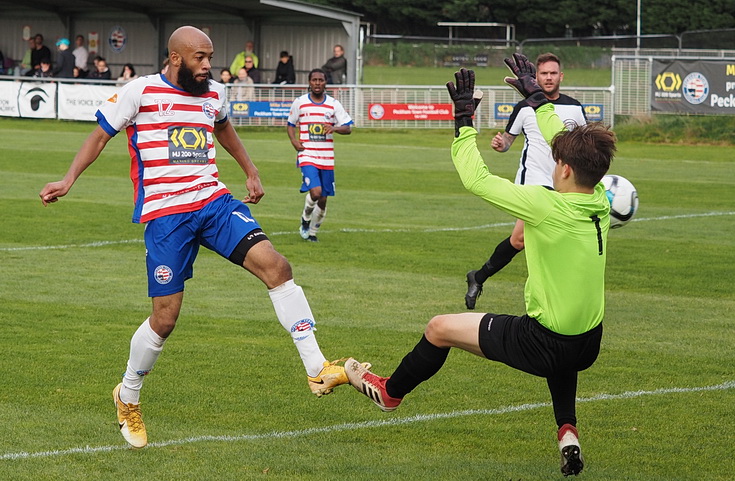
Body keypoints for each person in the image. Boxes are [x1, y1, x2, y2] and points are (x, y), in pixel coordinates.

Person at [39, 26, 360, 450]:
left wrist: (250, 169)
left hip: (213, 203)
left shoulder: (214, 94)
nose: (209, 66)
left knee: (277, 267)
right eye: (200, 58)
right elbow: (100, 135)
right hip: (166, 216)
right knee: (165, 319)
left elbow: (224, 128)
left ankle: (317, 367)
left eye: (210, 57)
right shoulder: (140, 92)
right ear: (176, 58)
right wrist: (68, 178)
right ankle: (128, 393)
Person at [344, 59, 615, 477]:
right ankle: (568, 433)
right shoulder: (601, 200)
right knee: (563, 355)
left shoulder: (545, 206)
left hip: (543, 341)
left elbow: (475, 178)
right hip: (589, 342)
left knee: (439, 329)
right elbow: (561, 140)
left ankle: (389, 393)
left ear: (561, 168)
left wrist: (463, 122)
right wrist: (539, 100)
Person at [464, 52, 587, 310]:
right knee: (523, 239)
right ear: (536, 77)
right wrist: (501, 144)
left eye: (553, 73)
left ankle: (479, 276)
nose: (549, 77)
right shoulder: (524, 107)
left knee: (522, 241)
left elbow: (583, 147)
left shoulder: (575, 107)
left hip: (564, 185)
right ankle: (549, 296)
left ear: (561, 76)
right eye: (544, 73)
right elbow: (508, 141)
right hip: (532, 182)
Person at [287, 68, 353, 242]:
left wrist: (335, 128)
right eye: (314, 80)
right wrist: (294, 141)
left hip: (327, 158)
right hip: (307, 155)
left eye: (321, 80)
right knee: (315, 193)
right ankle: (305, 219)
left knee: (323, 200)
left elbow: (348, 128)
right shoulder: (300, 102)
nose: (317, 83)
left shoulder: (333, 104)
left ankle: (313, 233)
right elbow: (290, 124)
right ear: (309, 82)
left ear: (325, 83)